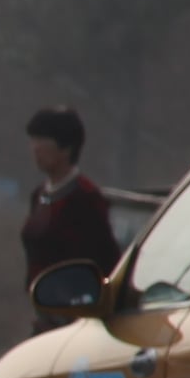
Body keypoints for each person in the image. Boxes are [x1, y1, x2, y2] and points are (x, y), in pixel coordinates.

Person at [19, 107, 113, 293]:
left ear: (66, 148)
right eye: (33, 140)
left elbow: (104, 259)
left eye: (43, 140)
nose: (35, 148)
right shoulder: (39, 195)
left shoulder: (85, 197)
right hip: (44, 311)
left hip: (73, 308)